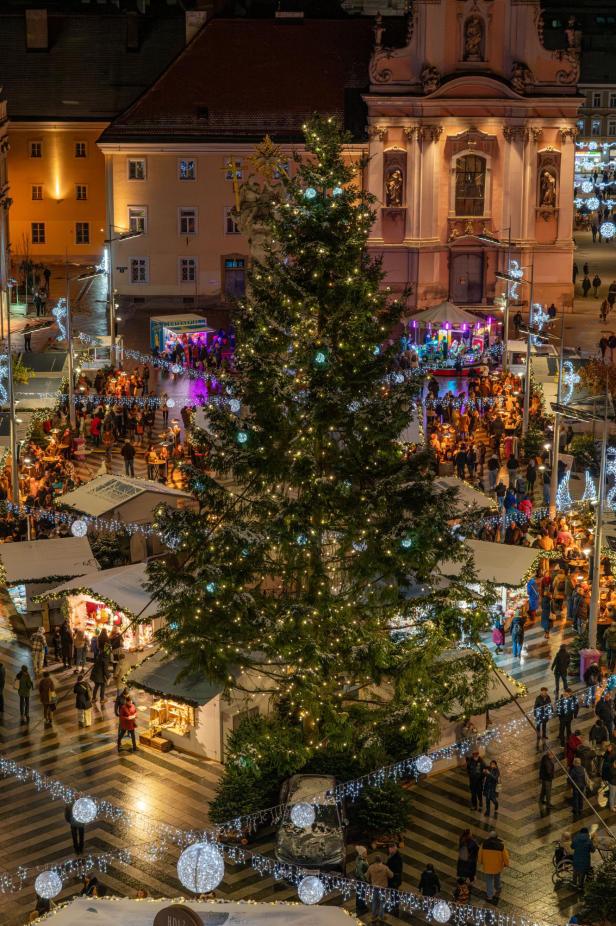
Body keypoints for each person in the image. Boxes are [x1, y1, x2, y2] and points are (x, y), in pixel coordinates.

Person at [478, 831, 509, 903]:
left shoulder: (484, 844)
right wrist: (506, 864)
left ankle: (489, 896)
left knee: (489, 881)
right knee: (497, 878)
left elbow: (480, 855)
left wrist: (481, 862)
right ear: (496, 837)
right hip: (497, 867)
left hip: (487, 867)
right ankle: (498, 888)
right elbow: (505, 856)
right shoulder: (501, 846)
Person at [366, 854, 392, 926]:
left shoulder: (371, 867)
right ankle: (381, 916)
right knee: (382, 902)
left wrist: (370, 880)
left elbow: (367, 877)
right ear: (381, 860)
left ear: (374, 860)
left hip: (374, 888)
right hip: (383, 888)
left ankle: (373, 916)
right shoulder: (385, 868)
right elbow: (391, 875)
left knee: (374, 902)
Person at [387, 843, 402, 916]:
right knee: (393, 893)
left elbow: (398, 870)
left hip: (394, 880)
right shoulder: (392, 856)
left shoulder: (396, 858)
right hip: (393, 879)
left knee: (394, 893)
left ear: (393, 849)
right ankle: (393, 905)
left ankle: (395, 907)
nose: (389, 850)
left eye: (390, 849)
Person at [354, 846, 369, 917]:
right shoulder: (361, 862)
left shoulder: (360, 859)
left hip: (359, 880)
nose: (367, 854)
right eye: (365, 853)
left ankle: (359, 904)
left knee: (359, 892)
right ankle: (361, 906)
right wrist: (364, 880)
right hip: (361, 880)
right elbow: (360, 872)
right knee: (361, 893)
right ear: (362, 853)